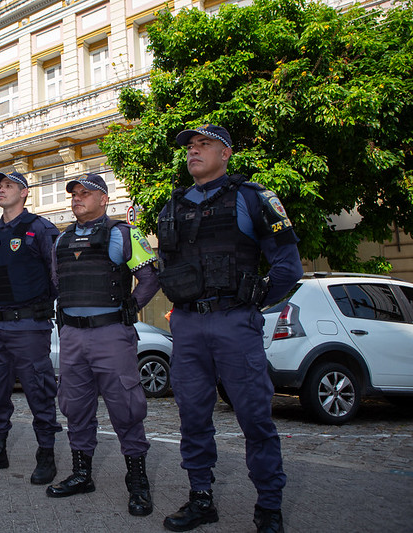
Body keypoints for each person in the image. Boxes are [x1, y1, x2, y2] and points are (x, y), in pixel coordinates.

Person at [158, 124, 303, 533]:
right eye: (189, 145)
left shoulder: (252, 198)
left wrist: (250, 302)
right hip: (187, 325)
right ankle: (201, 498)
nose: (193, 151)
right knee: (192, 417)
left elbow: (288, 267)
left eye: (204, 144)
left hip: (234, 321)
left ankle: (269, 507)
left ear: (226, 153)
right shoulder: (172, 205)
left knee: (255, 418)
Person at [47, 173, 160, 518]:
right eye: (74, 194)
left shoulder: (122, 233)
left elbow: (151, 276)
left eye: (85, 193)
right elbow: (57, 281)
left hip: (111, 334)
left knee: (125, 407)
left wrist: (131, 305)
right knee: (75, 406)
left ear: (104, 199)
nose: (77, 198)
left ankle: (137, 483)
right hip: (72, 337)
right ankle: (82, 474)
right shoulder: (61, 239)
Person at [0, 172, 61, 484]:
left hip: (30, 326)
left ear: (24, 193)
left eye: (8, 186)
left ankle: (46, 453)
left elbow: (57, 275)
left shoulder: (40, 229)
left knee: (38, 389)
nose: (1, 191)